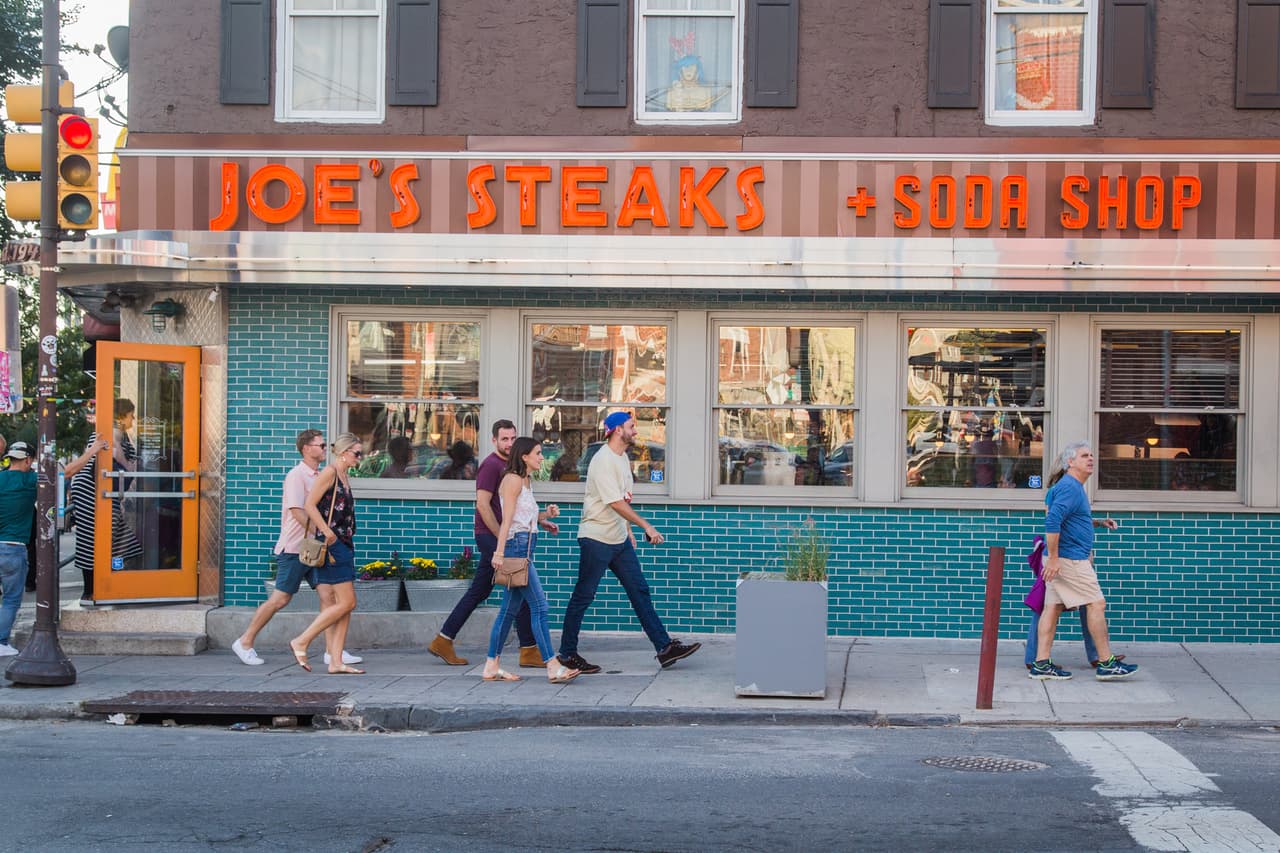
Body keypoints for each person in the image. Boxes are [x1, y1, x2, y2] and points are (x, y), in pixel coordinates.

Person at [557, 411, 701, 673]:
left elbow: (621, 498)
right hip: (596, 538)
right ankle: (567, 654)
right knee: (584, 595)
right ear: (617, 430)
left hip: (618, 539)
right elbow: (614, 502)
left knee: (639, 590)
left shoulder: (622, 458)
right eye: (631, 426)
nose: (635, 431)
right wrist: (645, 525)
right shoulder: (603, 461)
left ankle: (664, 648)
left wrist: (627, 529)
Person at [232, 430, 362, 668]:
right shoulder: (296, 475)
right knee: (281, 598)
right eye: (320, 445)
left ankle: (332, 653)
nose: (325, 448)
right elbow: (297, 511)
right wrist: (323, 533)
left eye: (325, 444)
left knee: (329, 596)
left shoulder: (323, 474)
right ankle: (245, 641)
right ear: (306, 448)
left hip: (319, 548)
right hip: (297, 547)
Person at [428, 420, 540, 667]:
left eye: (512, 438)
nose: (509, 444)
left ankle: (443, 639)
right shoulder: (491, 465)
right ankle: (528, 649)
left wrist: (541, 519)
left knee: (482, 589)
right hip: (491, 535)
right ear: (494, 441)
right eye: (504, 439)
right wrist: (502, 538)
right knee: (519, 582)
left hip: (500, 536)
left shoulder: (511, 467)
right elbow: (482, 504)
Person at [1030, 441, 1138, 681]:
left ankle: (1041, 664)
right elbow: (1052, 521)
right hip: (1070, 559)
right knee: (1096, 604)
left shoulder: (1070, 487)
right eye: (1084, 456)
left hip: (1062, 558)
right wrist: (1054, 559)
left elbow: (1070, 519)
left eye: (1091, 455)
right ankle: (1106, 662)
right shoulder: (1070, 487)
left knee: (1052, 608)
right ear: (1070, 462)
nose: (1091, 459)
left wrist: (1097, 522)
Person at [482, 437, 581, 684]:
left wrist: (545, 517)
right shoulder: (513, 480)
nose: (542, 457)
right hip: (516, 549)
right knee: (540, 607)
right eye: (538, 453)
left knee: (508, 611)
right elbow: (507, 520)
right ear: (524, 456)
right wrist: (499, 552)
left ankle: (491, 665)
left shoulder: (525, 480)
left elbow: (523, 515)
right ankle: (552, 665)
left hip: (524, 547)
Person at [288, 433, 365, 675]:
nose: (360, 457)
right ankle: (301, 640)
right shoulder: (330, 473)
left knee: (344, 606)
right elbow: (309, 504)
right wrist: (326, 532)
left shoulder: (344, 474)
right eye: (357, 453)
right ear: (343, 452)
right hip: (333, 544)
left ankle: (336, 661)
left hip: (344, 542)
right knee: (348, 602)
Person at [67, 400, 144, 604]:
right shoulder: (103, 435)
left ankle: (107, 584)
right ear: (121, 416)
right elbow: (114, 459)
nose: (133, 419)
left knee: (118, 538)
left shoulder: (123, 438)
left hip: (106, 492)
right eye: (131, 415)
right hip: (91, 491)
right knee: (92, 539)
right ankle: (90, 590)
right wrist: (127, 464)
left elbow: (128, 464)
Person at [0, 442, 38, 656]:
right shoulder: (30, 480)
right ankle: (1, 641)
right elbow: (65, 473)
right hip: (13, 547)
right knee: (11, 599)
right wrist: (92, 451)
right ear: (28, 460)